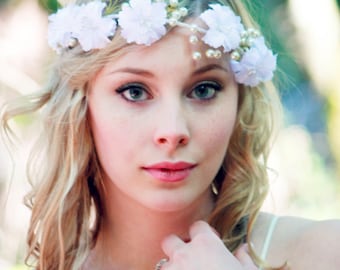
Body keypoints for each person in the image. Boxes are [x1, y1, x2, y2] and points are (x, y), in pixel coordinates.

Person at [1, 0, 340, 269]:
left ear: (239, 102)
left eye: (204, 89)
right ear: (82, 104)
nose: (173, 131)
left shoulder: (324, 253)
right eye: (134, 91)